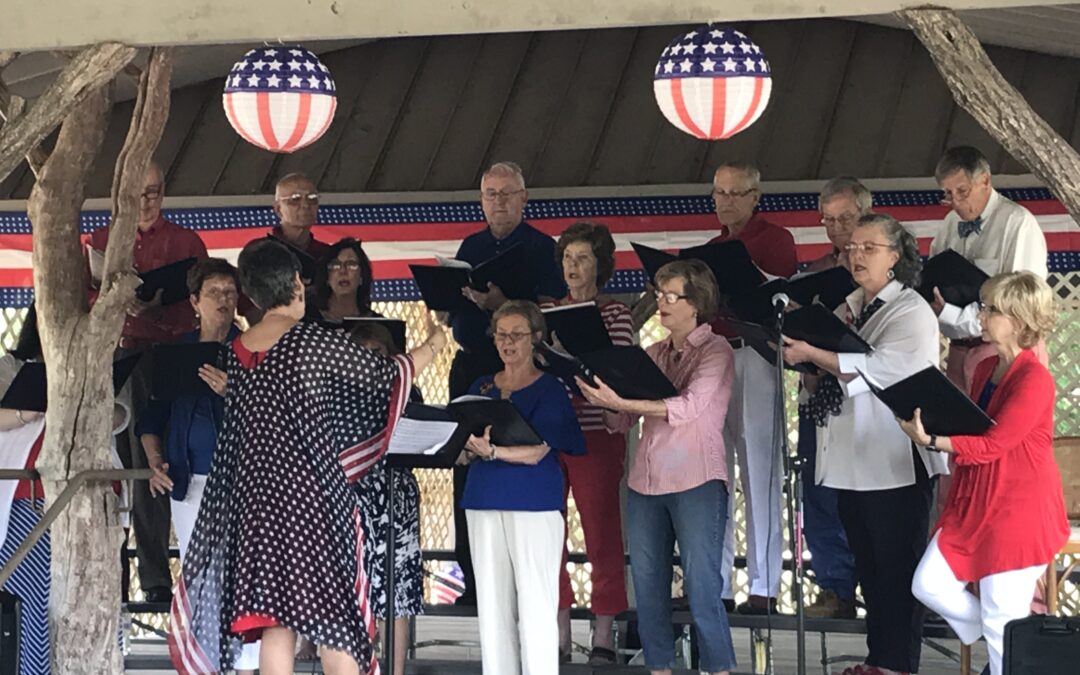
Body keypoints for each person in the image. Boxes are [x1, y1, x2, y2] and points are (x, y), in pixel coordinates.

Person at [168, 239, 447, 675]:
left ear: (253, 294)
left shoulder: (238, 351)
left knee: (276, 625)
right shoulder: (311, 342)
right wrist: (433, 343)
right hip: (310, 503)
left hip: (256, 506)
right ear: (296, 285)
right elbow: (385, 375)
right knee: (334, 621)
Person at [783, 214, 949, 675]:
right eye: (851, 247)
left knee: (898, 569)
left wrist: (817, 355)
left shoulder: (912, 310)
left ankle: (898, 665)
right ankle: (879, 660)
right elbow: (828, 369)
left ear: (895, 257)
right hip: (851, 461)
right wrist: (809, 365)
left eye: (869, 248)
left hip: (895, 459)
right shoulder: (849, 306)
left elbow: (879, 368)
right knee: (871, 570)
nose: (856, 255)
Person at [905, 272, 1068, 675]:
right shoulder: (986, 367)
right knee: (928, 583)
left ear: (1018, 319)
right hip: (977, 501)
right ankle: (1003, 634)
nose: (981, 317)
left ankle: (1005, 644)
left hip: (1018, 512)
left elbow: (995, 444)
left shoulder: (1036, 380)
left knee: (1000, 621)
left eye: (991, 309)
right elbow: (973, 426)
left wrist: (932, 441)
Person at [579, 259, 737, 675]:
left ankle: (719, 669)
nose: (662, 304)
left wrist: (624, 403)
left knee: (703, 589)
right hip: (645, 484)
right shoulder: (652, 353)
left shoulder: (717, 350)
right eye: (659, 295)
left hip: (697, 481)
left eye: (671, 297)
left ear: (696, 304)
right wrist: (605, 400)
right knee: (648, 590)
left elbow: (688, 407)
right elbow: (621, 422)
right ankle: (659, 669)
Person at [86, 160, 208, 604]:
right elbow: (81, 296)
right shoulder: (99, 241)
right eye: (138, 193)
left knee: (153, 465)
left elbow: (205, 291)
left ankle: (155, 576)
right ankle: (109, 575)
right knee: (112, 467)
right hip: (116, 353)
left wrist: (156, 307)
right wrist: (118, 301)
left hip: (169, 353)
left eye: (154, 191)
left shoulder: (185, 241)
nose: (146, 201)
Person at [446, 161, 565, 605]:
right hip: (472, 366)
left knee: (515, 455)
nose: (498, 201)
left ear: (523, 198)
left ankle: (517, 580)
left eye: (506, 193)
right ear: (481, 200)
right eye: (490, 194)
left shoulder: (540, 247)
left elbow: (552, 312)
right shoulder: (470, 244)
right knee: (465, 464)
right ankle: (474, 581)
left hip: (520, 369)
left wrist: (502, 305)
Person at [135, 259, 257, 673]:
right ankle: (207, 661)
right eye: (214, 293)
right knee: (200, 574)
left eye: (229, 292)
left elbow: (274, 418)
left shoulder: (254, 348)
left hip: (244, 484)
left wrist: (234, 390)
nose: (224, 300)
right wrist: (155, 461)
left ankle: (248, 663)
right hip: (190, 482)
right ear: (194, 301)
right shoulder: (175, 353)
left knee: (243, 575)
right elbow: (151, 420)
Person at [460, 300, 585, 675]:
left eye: (516, 334)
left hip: (533, 503)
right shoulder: (481, 385)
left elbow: (538, 451)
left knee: (536, 603)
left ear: (536, 339)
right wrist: (465, 450)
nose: (507, 342)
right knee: (493, 605)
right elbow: (465, 440)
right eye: (501, 334)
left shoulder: (550, 388)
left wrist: (493, 450)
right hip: (483, 499)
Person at [0, 319, 130, 675]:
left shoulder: (96, 367)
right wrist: (34, 409)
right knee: (33, 600)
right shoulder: (10, 368)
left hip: (92, 502)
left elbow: (119, 415)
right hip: (27, 503)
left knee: (94, 600)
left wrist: (84, 398)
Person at [710, 161, 797, 614]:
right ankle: (718, 584)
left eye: (734, 193)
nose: (725, 201)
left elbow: (776, 299)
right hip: (718, 355)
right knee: (716, 469)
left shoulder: (774, 239)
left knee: (761, 469)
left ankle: (765, 584)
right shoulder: (712, 246)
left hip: (758, 353)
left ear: (755, 196)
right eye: (719, 194)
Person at [544, 222, 633, 664]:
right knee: (549, 533)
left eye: (582, 259)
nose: (573, 267)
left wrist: (572, 360)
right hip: (551, 433)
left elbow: (618, 370)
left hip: (597, 432)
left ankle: (603, 631)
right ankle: (558, 629)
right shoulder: (547, 311)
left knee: (602, 534)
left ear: (601, 266)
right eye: (567, 259)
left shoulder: (616, 313)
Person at [800, 177, 871, 619]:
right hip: (819, 390)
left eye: (846, 218)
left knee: (865, 497)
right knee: (819, 489)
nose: (836, 228)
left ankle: (874, 582)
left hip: (867, 396)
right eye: (828, 219)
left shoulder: (885, 268)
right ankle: (833, 586)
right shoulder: (816, 271)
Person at [929, 146, 1048, 392]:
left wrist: (950, 315)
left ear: (985, 180)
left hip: (1005, 349)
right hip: (960, 348)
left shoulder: (1017, 222)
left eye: (962, 191)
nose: (956, 202)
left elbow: (1019, 305)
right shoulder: (950, 223)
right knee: (962, 425)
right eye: (948, 194)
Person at [348, 321, 425, 675]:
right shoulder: (336, 397)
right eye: (360, 355)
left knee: (399, 591)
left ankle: (394, 669)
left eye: (377, 354)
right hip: (352, 498)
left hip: (395, 497)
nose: (369, 362)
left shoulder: (407, 391)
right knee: (350, 585)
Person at [306, 238, 378, 323]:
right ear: (326, 277)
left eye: (351, 264)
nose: (343, 271)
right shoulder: (308, 319)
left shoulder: (377, 323)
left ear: (361, 277)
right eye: (335, 265)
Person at [270, 172, 331, 260]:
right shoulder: (259, 252)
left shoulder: (327, 254)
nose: (305, 205)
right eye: (295, 199)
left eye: (312, 198)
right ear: (278, 209)